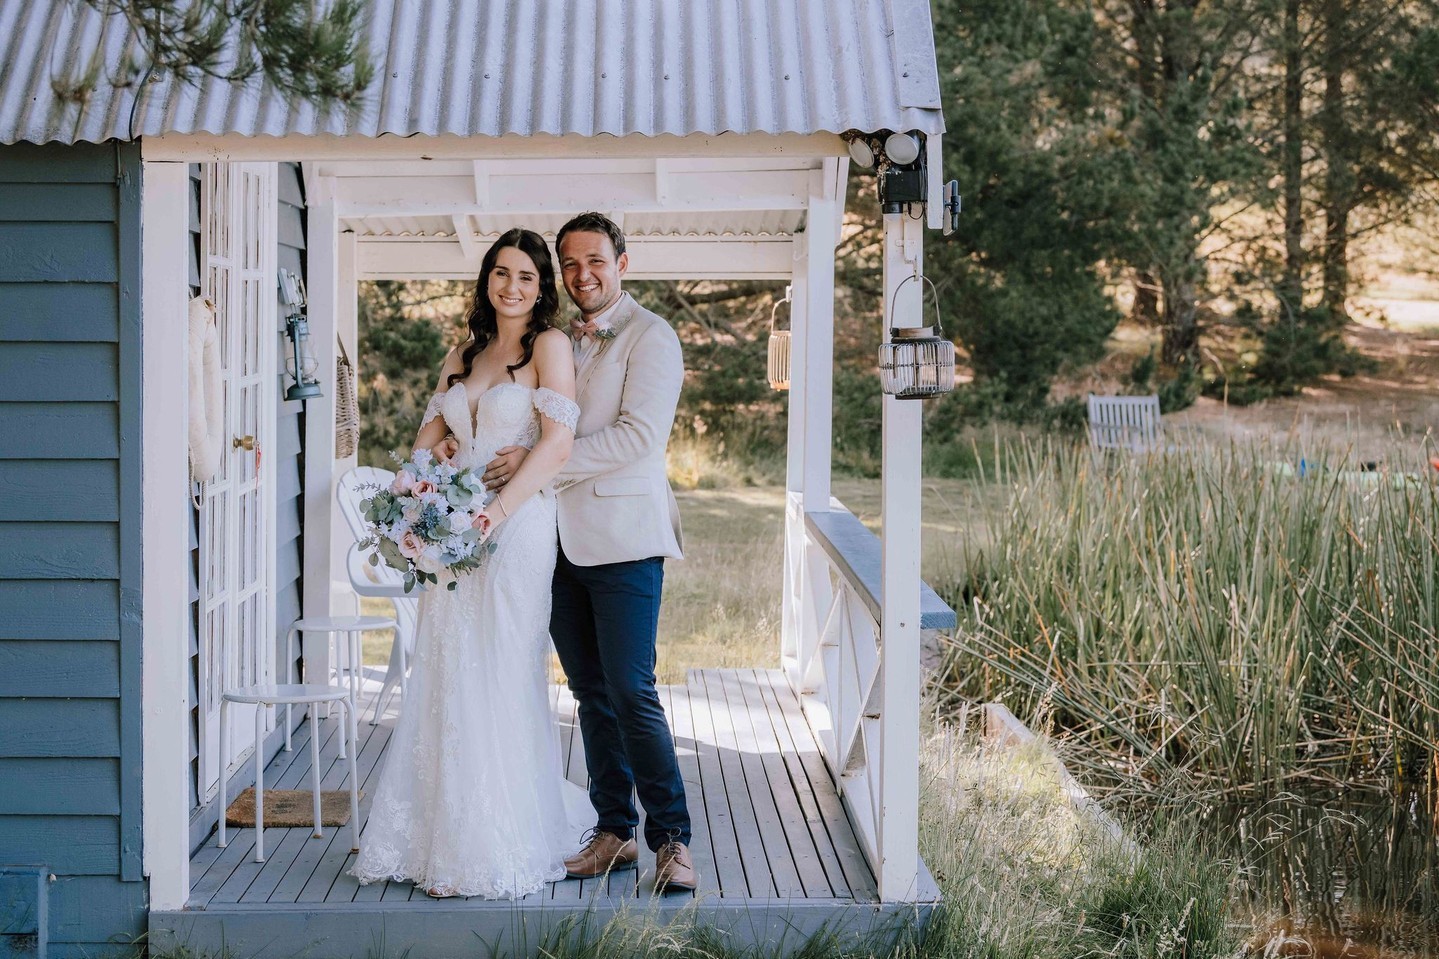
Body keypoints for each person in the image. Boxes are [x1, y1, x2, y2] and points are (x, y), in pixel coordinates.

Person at [350, 228, 588, 899]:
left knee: (500, 663)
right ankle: (439, 834)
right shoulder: (463, 352)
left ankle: (496, 835)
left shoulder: (549, 345)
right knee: (449, 665)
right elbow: (424, 441)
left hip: (516, 523)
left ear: (541, 288)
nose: (511, 286)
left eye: (526, 276)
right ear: (486, 279)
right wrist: (429, 474)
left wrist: (496, 512)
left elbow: (558, 444)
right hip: (452, 527)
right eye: (501, 273)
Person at [482, 212, 696, 893]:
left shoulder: (651, 336)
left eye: (595, 261)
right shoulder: (554, 339)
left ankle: (672, 839)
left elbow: (638, 435)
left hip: (624, 538)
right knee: (590, 694)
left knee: (632, 690)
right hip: (552, 542)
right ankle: (613, 832)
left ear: (622, 263)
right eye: (570, 264)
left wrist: (538, 465)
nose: (583, 275)